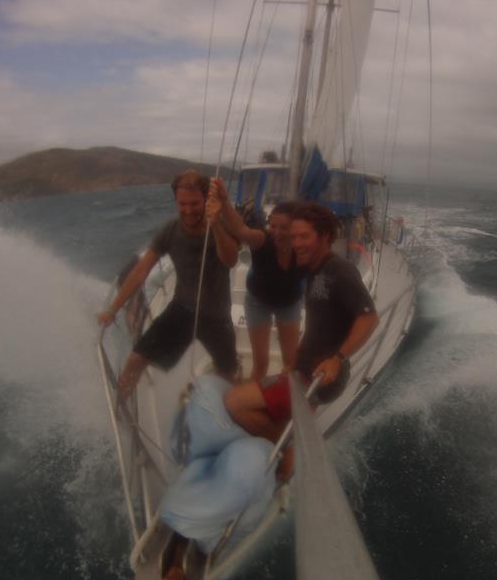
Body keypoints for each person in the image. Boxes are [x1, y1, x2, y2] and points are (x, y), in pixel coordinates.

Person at [224, 203, 379, 476]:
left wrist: (337, 359)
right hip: (304, 370)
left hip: (318, 377)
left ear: (324, 237)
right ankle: (288, 438)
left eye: (303, 236)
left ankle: (293, 446)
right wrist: (292, 362)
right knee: (263, 401)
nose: (296, 243)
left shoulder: (339, 271)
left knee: (234, 402)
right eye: (293, 237)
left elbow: (368, 318)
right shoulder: (313, 269)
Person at [98, 170, 240, 398]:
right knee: (135, 360)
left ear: (205, 199)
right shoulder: (170, 231)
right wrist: (112, 309)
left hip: (216, 315)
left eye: (194, 203)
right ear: (175, 201)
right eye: (182, 203)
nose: (188, 210)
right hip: (182, 309)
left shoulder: (220, 224)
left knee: (228, 374)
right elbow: (140, 272)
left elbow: (231, 260)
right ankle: (121, 404)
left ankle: (232, 415)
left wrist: (216, 226)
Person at [209, 178, 305, 381]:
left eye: (284, 227)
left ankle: (288, 399)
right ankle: (252, 399)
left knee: (291, 361)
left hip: (289, 303)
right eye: (273, 226)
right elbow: (240, 230)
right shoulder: (263, 239)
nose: (277, 232)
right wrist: (225, 201)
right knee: (261, 362)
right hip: (257, 301)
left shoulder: (303, 249)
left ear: (296, 228)